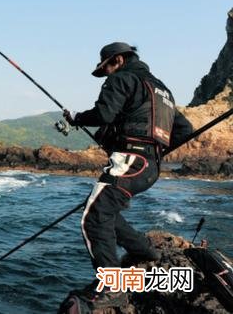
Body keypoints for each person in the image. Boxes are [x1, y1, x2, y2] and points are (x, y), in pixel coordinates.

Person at [62, 42, 193, 308]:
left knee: (93, 217)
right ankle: (144, 250)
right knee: (106, 211)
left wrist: (76, 117)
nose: (107, 74)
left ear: (118, 60)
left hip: (131, 161)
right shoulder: (162, 90)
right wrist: (153, 149)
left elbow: (104, 113)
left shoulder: (123, 78)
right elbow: (184, 131)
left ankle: (112, 288)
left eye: (107, 67)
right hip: (150, 168)